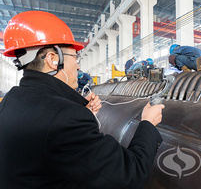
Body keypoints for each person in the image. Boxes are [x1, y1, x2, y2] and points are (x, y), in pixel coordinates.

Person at [0, 11, 165, 189]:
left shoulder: (10, 99)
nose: (78, 65)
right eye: (75, 57)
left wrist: (81, 110)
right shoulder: (65, 117)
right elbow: (128, 175)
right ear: (53, 59)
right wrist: (147, 124)